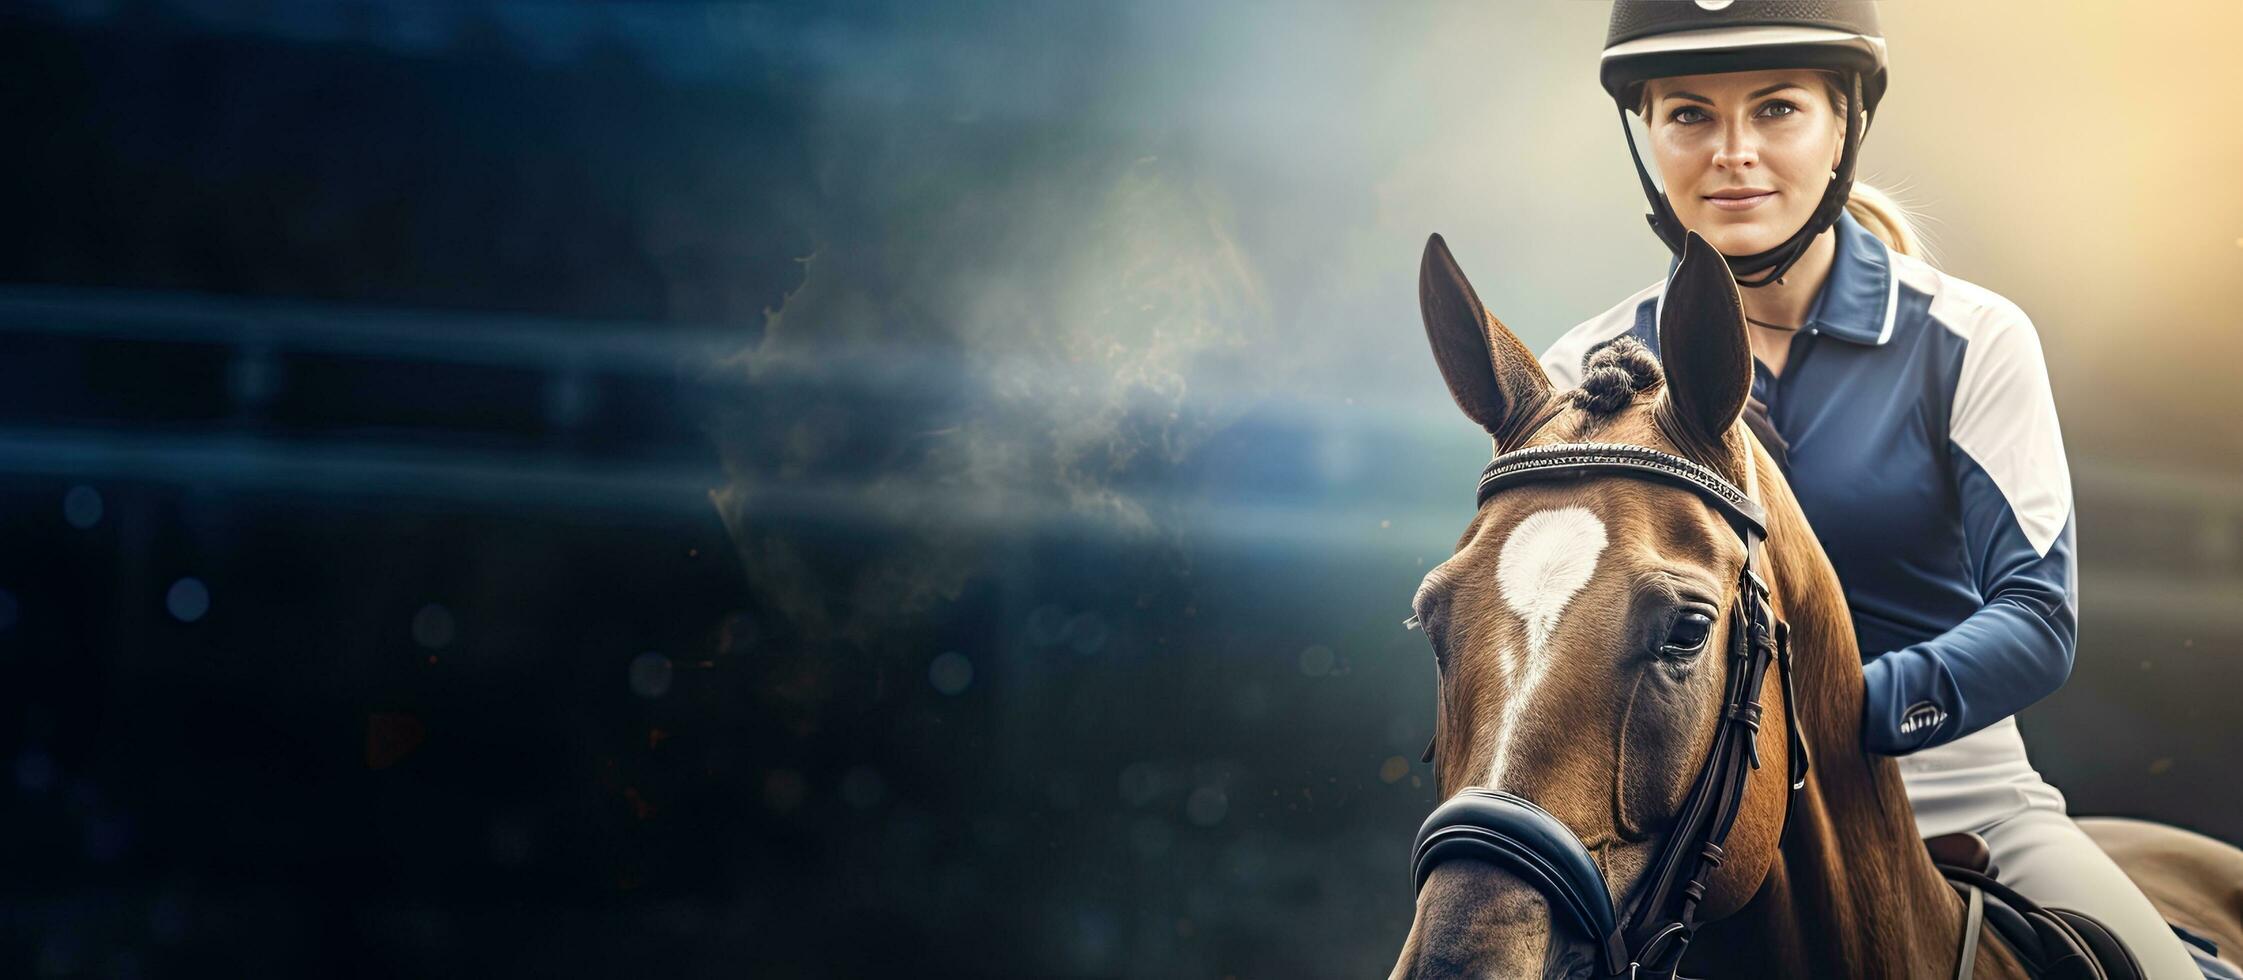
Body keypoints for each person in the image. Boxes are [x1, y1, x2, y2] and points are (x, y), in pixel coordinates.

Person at [1538, 2, 2210, 977]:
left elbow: (2033, 616)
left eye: (1774, 109)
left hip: (1957, 798)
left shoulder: (1972, 337)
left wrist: (1838, 713)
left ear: (1844, 122)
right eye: (1687, 114)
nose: (1729, 152)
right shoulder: (1588, 368)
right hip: (1675, 827)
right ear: (1643, 131)